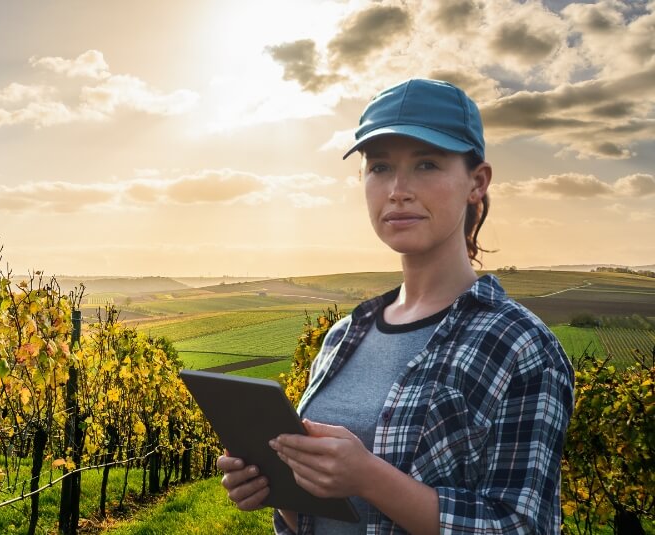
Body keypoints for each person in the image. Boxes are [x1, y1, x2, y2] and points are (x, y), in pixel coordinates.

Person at [217, 79, 575, 534]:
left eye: (427, 164)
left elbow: (524, 527)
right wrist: (278, 490)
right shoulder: (343, 337)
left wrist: (369, 478)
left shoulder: (520, 346)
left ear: (476, 183)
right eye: (380, 167)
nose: (397, 189)